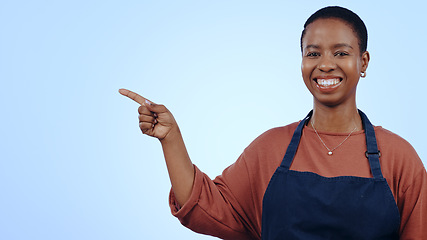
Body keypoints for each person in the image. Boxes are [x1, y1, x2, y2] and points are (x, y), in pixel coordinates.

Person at [119, 6, 426, 240]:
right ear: (302, 61)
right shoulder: (271, 148)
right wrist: (171, 138)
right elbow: (208, 209)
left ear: (363, 62)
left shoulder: (399, 157)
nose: (325, 64)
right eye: (313, 53)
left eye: (341, 52)